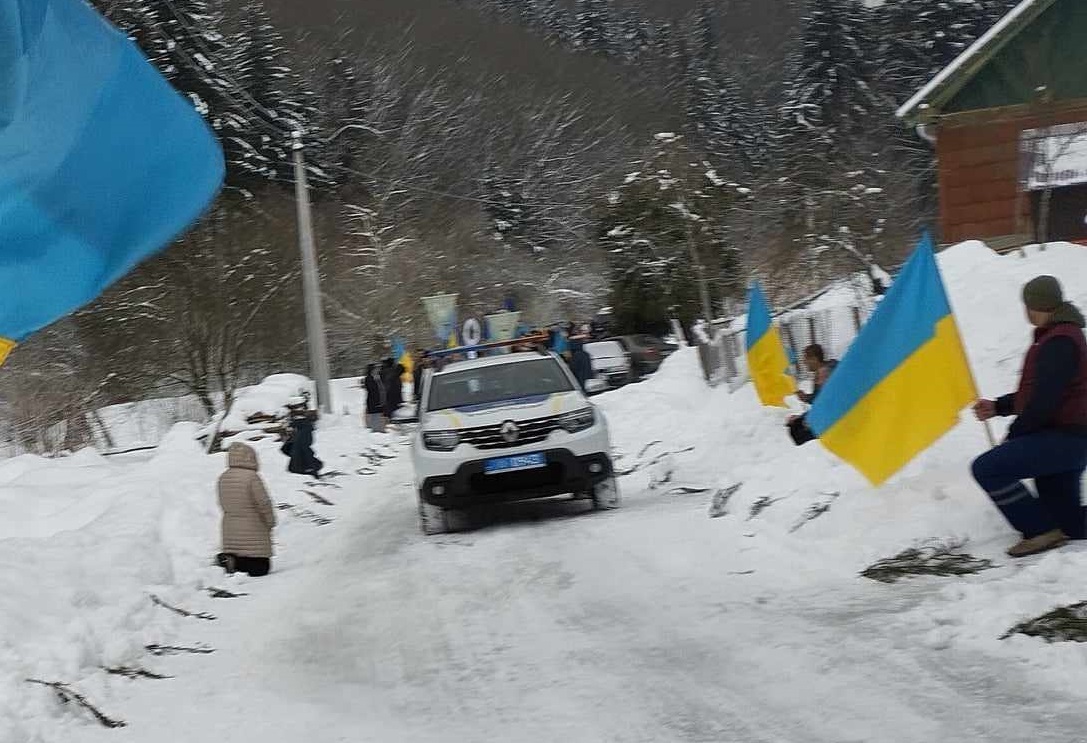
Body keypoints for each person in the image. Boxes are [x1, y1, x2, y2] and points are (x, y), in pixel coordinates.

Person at [971, 275, 1087, 558]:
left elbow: (1043, 402)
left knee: (988, 468)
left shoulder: (1059, 342)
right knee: (1070, 523)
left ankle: (1038, 531)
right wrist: (997, 406)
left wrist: (1014, 436)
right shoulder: (1060, 336)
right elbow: (1039, 394)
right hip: (1069, 437)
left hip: (1065, 438)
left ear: (1036, 305)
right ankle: (1053, 527)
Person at [217, 442, 276, 577]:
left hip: (229, 528)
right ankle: (235, 563)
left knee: (240, 555)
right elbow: (263, 503)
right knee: (262, 568)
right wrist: (270, 521)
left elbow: (222, 502)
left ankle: (230, 560)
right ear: (250, 457)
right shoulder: (251, 477)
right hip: (253, 526)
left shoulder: (223, 477)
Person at [787, 344, 838, 446]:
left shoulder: (824, 373)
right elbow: (820, 399)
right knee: (795, 426)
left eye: (806, 359)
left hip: (832, 419)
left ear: (814, 359)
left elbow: (823, 404)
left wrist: (803, 418)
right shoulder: (825, 370)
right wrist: (806, 398)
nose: (805, 363)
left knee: (796, 430)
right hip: (829, 415)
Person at [285, 398, 323, 477]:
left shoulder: (297, 428)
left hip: (296, 466)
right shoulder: (305, 428)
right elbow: (305, 448)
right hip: (303, 467)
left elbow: (285, 448)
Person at [364, 363, 386, 432]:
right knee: (375, 417)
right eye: (375, 369)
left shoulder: (377, 377)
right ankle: (377, 430)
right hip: (373, 402)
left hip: (378, 402)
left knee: (379, 417)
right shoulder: (369, 378)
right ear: (372, 370)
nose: (377, 370)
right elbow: (373, 390)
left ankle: (379, 430)